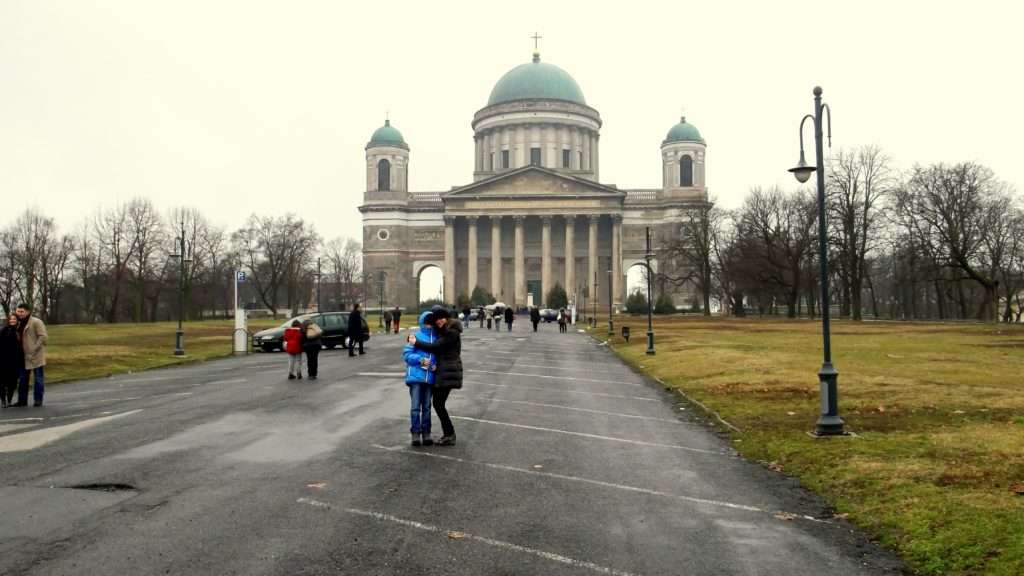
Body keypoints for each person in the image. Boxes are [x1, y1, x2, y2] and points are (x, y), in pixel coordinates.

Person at [408, 306, 462, 446]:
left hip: (448, 371)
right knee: (436, 404)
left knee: (437, 403)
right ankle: (448, 433)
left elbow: (436, 347)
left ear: (447, 317)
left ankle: (449, 434)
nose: (438, 321)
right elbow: (409, 353)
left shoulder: (452, 332)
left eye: (441, 318)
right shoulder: (443, 331)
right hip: (442, 372)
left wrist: (416, 342)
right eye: (436, 320)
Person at [403, 311, 437, 446]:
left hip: (430, 378)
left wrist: (436, 365)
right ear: (423, 322)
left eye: (431, 322)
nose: (429, 325)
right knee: (415, 407)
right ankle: (416, 433)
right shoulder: (415, 336)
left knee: (427, 407)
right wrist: (420, 360)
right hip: (416, 377)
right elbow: (407, 355)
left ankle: (427, 432)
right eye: (427, 322)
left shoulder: (437, 338)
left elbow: (440, 355)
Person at [15, 304, 47, 407]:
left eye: (22, 311)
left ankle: (38, 400)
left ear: (28, 312)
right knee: (23, 379)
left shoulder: (36, 322)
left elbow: (42, 337)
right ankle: (22, 400)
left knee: (38, 378)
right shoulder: (18, 323)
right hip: (22, 356)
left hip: (36, 356)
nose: (19, 313)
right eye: (18, 311)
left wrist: (34, 349)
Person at [1, 313, 23, 408]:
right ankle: (3, 401)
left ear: (17, 320)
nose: (12, 321)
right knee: (2, 382)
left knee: (12, 382)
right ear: (8, 320)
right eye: (11, 319)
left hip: (15, 361)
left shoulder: (19, 331)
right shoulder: (3, 331)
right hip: (3, 360)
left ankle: (9, 400)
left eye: (14, 319)